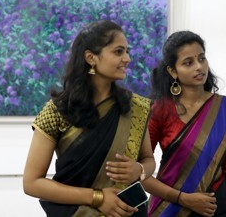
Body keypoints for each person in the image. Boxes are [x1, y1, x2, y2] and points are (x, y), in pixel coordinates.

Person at [23, 20, 155, 217]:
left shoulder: (134, 107)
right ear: (91, 58)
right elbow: (31, 183)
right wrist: (98, 198)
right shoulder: (58, 110)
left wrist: (140, 171)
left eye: (127, 51)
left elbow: (148, 160)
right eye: (118, 52)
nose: (127, 58)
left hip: (127, 212)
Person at [143, 31, 226, 217]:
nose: (199, 67)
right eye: (188, 62)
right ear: (172, 71)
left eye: (202, 58)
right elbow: (140, 173)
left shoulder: (225, 110)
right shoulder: (160, 110)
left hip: (217, 206)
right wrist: (183, 198)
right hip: (171, 207)